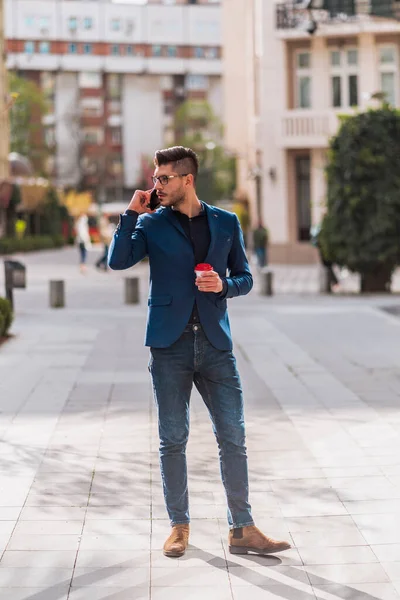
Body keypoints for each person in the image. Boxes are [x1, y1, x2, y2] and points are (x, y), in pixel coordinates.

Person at [109, 146, 291, 558]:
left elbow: (245, 276)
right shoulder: (152, 224)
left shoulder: (226, 222)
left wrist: (224, 286)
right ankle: (179, 526)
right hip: (169, 345)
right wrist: (131, 214)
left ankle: (242, 529)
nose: (156, 185)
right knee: (172, 439)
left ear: (187, 180)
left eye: (163, 179)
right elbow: (118, 261)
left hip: (215, 344)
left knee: (234, 436)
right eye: (155, 179)